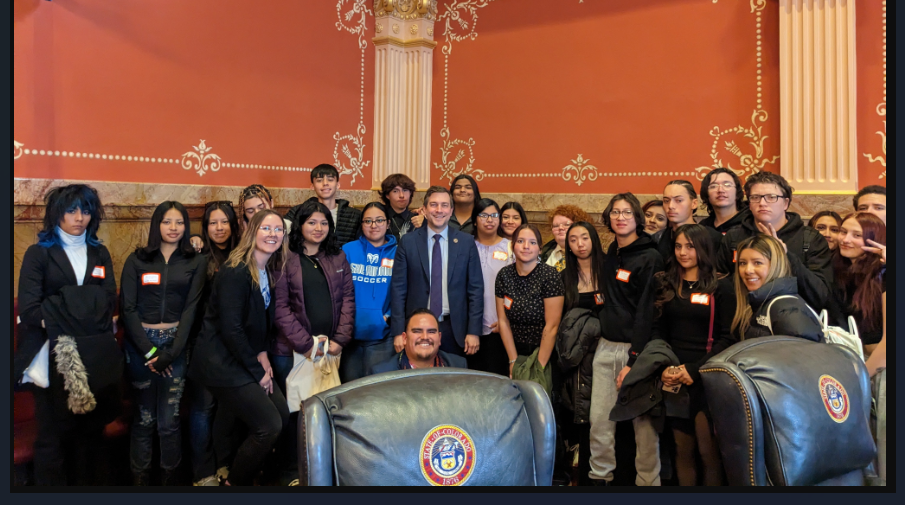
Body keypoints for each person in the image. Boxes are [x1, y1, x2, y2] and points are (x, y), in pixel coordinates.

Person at [16, 184, 117, 486]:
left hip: (93, 355)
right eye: (72, 210)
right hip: (50, 355)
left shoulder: (100, 252)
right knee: (52, 438)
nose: (79, 217)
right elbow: (33, 309)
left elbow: (108, 299)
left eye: (85, 210)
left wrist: (61, 305)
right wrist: (84, 308)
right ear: (57, 213)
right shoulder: (39, 254)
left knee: (89, 435)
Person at [188, 210, 290, 487]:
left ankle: (260, 477)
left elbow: (257, 325)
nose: (272, 234)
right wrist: (258, 371)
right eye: (266, 228)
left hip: (246, 357)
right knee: (268, 426)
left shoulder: (266, 269)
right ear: (252, 232)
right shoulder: (236, 271)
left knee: (281, 416)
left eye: (278, 229)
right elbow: (231, 329)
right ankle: (234, 483)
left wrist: (263, 356)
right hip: (221, 362)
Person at [120, 201, 207, 485]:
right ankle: (139, 482)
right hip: (140, 346)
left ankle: (171, 483)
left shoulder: (195, 261)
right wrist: (150, 351)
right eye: (167, 222)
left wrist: (171, 353)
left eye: (179, 222)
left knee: (169, 422)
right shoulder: (137, 260)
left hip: (176, 345)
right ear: (157, 224)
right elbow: (128, 309)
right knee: (144, 420)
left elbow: (190, 311)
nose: (173, 228)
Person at [651, 224, 736, 486]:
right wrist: (665, 367)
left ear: (703, 248)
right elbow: (659, 333)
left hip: (707, 375)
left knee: (707, 451)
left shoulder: (721, 286)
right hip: (675, 376)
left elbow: (729, 338)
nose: (682, 252)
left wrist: (696, 369)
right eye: (678, 246)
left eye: (689, 246)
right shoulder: (666, 283)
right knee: (681, 448)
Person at [589, 192, 664, 486]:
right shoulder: (611, 252)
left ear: (637, 219)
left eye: (627, 213)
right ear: (608, 218)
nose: (620, 217)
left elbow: (648, 312)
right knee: (600, 422)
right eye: (615, 213)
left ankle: (648, 483)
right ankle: (599, 478)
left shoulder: (650, 257)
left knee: (643, 427)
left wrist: (635, 359)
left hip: (638, 350)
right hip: (606, 348)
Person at [389, 186, 484, 358]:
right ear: (424, 210)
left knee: (453, 383)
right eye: (433, 205)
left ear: (451, 210)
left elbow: (475, 289)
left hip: (455, 329)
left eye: (444, 205)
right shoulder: (408, 242)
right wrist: (397, 332)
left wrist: (473, 331)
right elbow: (398, 289)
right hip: (416, 330)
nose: (439, 210)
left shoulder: (466, 242)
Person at [719, 171, 833, 311]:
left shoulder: (809, 239)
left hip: (792, 318)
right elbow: (721, 283)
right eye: (755, 197)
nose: (762, 203)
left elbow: (821, 294)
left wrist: (785, 255)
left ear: (785, 203)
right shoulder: (735, 237)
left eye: (771, 197)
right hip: (742, 316)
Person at [188, 200, 240, 486]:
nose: (219, 228)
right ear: (205, 227)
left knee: (229, 409)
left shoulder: (241, 255)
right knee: (202, 409)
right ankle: (203, 472)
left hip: (234, 344)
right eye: (212, 223)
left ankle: (225, 465)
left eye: (224, 222)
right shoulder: (197, 256)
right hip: (204, 343)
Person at [558, 221, 607, 487]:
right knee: (580, 415)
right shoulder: (564, 276)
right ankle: (579, 474)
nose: (580, 244)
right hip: (577, 359)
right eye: (573, 239)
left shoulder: (609, 270)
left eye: (585, 238)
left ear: (594, 240)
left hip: (607, 351)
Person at [496, 224, 564, 392]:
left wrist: (538, 367)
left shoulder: (549, 275)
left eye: (532, 242)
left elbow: (552, 325)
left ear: (540, 249)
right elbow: (503, 321)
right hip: (512, 350)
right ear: (513, 246)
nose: (526, 246)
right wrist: (513, 361)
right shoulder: (504, 275)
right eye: (520, 241)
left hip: (542, 352)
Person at [341, 202, 398, 381]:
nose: (374, 225)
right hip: (350, 336)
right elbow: (338, 289)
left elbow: (404, 290)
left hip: (383, 336)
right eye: (368, 221)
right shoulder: (348, 250)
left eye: (379, 220)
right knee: (350, 391)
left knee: (377, 391)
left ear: (388, 223)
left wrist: (387, 317)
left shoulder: (400, 252)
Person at [730, 234, 822, 341]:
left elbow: (803, 355)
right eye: (742, 263)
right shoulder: (757, 303)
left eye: (758, 263)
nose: (748, 270)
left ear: (775, 265)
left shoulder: (787, 310)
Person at [468, 198, 514, 375]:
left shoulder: (510, 247)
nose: (490, 220)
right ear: (474, 219)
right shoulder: (466, 246)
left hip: (500, 326)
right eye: (484, 215)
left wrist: (507, 320)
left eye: (494, 215)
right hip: (469, 328)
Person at [831, 212, 886, 355]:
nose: (845, 239)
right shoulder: (837, 269)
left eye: (857, 235)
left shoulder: (883, 273)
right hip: (852, 355)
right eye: (843, 232)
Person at [369, 308, 467, 374]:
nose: (425, 337)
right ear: (404, 338)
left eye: (431, 332)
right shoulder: (382, 372)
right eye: (417, 331)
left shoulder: (458, 366)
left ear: (439, 338)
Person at [286, 164, 362, 248]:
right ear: (312, 186)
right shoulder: (298, 211)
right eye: (319, 180)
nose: (325, 183)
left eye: (330, 180)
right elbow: (283, 234)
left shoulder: (354, 215)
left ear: (338, 184)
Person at [655, 180, 723, 262]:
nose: (671, 206)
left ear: (694, 203)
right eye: (666, 201)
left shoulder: (712, 237)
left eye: (679, 200)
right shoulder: (657, 238)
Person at [540, 205, 592, 272]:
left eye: (566, 224)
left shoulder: (586, 253)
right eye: (556, 225)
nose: (560, 228)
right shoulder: (544, 252)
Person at [699, 168, 749, 235]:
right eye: (713, 186)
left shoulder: (749, 223)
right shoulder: (703, 228)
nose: (720, 190)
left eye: (727, 185)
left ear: (737, 192)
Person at [379, 173, 418, 241]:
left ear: (410, 193)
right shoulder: (379, 217)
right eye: (395, 191)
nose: (401, 195)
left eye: (405, 190)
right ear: (387, 195)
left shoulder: (417, 219)